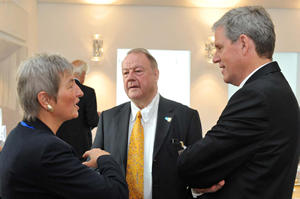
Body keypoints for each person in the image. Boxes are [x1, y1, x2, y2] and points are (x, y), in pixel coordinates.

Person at [177, 6, 300, 199]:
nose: (215, 58)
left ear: (243, 43)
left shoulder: (256, 96)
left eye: (219, 47)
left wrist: (187, 159)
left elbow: (192, 165)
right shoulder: (276, 88)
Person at [0, 54, 128, 199]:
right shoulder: (48, 150)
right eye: (71, 86)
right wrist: (104, 158)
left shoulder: (19, 134)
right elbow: (116, 193)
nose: (80, 93)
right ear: (45, 99)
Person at [93, 48, 202, 199]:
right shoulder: (108, 118)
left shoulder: (185, 117)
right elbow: (95, 167)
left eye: (137, 71)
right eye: (125, 73)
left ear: (156, 74)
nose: (130, 77)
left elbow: (198, 172)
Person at [57, 59, 99, 161]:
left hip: (60, 141)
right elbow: (92, 121)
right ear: (83, 74)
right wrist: (98, 116)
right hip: (81, 145)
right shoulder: (89, 92)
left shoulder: (59, 90)